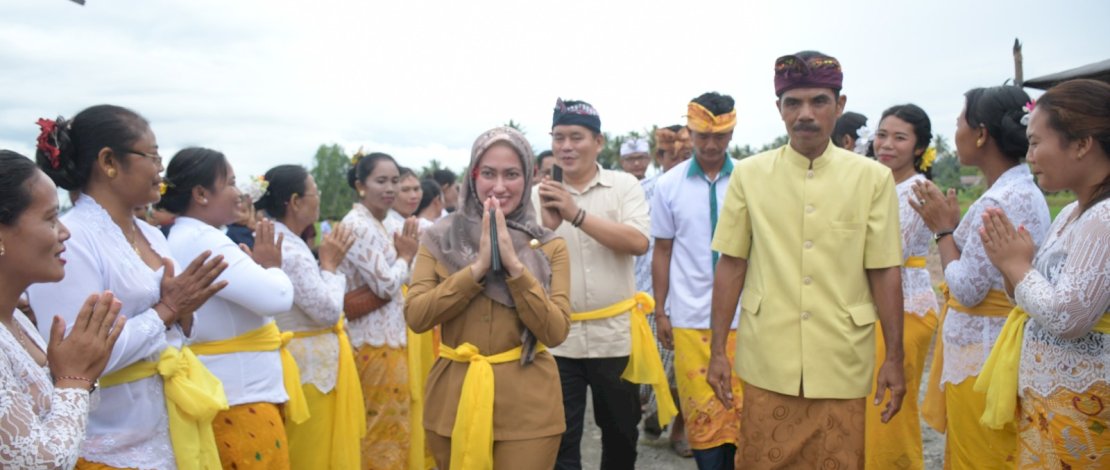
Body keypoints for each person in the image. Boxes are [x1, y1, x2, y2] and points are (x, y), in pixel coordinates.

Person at [707, 51, 907, 469]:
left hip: (842, 355)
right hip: (768, 354)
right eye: (793, 103)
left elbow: (884, 270)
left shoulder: (872, 178)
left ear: (840, 105)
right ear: (778, 108)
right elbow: (732, 263)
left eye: (819, 101)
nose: (805, 114)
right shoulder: (750, 174)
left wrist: (894, 357)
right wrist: (717, 351)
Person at [27, 105, 229, 470]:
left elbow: (177, 335)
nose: (160, 169)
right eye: (152, 156)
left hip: (168, 428)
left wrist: (183, 310)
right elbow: (78, 357)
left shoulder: (152, 235)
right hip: (110, 445)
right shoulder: (73, 239)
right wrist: (167, 310)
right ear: (109, 162)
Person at [405, 126, 572, 469]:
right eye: (488, 174)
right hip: (453, 400)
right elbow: (417, 316)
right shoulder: (439, 239)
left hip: (528, 410)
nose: (499, 186)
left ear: (528, 178)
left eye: (511, 174)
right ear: (473, 177)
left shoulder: (549, 245)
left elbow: (555, 331)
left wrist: (515, 267)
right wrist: (477, 268)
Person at [912, 86, 1050, 470]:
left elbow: (967, 289)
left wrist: (942, 231)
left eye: (960, 122)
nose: (955, 131)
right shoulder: (1021, 189)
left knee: (981, 456)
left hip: (983, 354)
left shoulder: (997, 201)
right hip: (999, 347)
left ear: (981, 134)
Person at [975, 79, 1110, 469]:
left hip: (1086, 402)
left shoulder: (1105, 217)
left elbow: (1069, 317)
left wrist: (1018, 266)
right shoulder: (1071, 212)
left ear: (1081, 144)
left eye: (1035, 143)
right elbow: (1034, 298)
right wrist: (1011, 266)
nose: (1029, 156)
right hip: (1053, 399)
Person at [535, 98, 661, 470]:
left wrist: (575, 215)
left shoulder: (623, 186)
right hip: (558, 340)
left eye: (576, 137)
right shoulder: (536, 194)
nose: (566, 147)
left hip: (615, 337)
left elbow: (638, 242)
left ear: (599, 142)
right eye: (559, 138)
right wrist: (545, 229)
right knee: (559, 440)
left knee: (621, 436)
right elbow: (524, 259)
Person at [160, 147, 299, 469]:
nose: (239, 193)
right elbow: (277, 298)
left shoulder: (185, 235)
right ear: (201, 194)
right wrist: (271, 266)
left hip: (228, 390)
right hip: (241, 397)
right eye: (231, 183)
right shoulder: (205, 240)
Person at [0, 150, 126, 469]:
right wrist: (74, 379)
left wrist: (72, 375)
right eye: (50, 218)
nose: (65, 232)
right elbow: (39, 464)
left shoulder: (16, 319)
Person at [651, 92, 744, 469]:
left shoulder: (750, 181)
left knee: (742, 418)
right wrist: (661, 311)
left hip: (745, 318)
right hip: (690, 319)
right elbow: (662, 251)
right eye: (702, 136)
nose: (710, 145)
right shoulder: (668, 185)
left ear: (732, 133)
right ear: (689, 133)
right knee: (702, 416)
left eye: (719, 137)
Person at [257, 164, 365, 470]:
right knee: (312, 454)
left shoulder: (287, 240)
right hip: (309, 370)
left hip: (310, 365)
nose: (318, 200)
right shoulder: (288, 249)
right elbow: (328, 312)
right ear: (295, 201)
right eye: (315, 193)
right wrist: (329, 265)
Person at [863, 104, 940, 470]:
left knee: (888, 408)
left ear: (919, 147)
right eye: (882, 135)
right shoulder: (879, 184)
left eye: (899, 137)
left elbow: (892, 251)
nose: (887, 144)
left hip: (905, 306)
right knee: (869, 403)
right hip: (876, 303)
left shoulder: (918, 191)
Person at [340, 152, 420, 469]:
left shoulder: (383, 223)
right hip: (370, 342)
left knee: (395, 427)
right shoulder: (358, 225)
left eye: (395, 181)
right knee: (378, 429)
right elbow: (387, 285)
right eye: (381, 181)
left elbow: (405, 278)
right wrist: (406, 256)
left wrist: (406, 259)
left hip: (391, 337)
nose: (390, 188)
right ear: (361, 185)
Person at [639, 122, 694, 455]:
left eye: (687, 155)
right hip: (646, 293)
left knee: (687, 369)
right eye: (672, 155)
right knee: (650, 371)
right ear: (660, 156)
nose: (680, 162)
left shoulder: (704, 189)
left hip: (690, 293)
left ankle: (679, 430)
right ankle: (656, 409)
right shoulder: (642, 190)